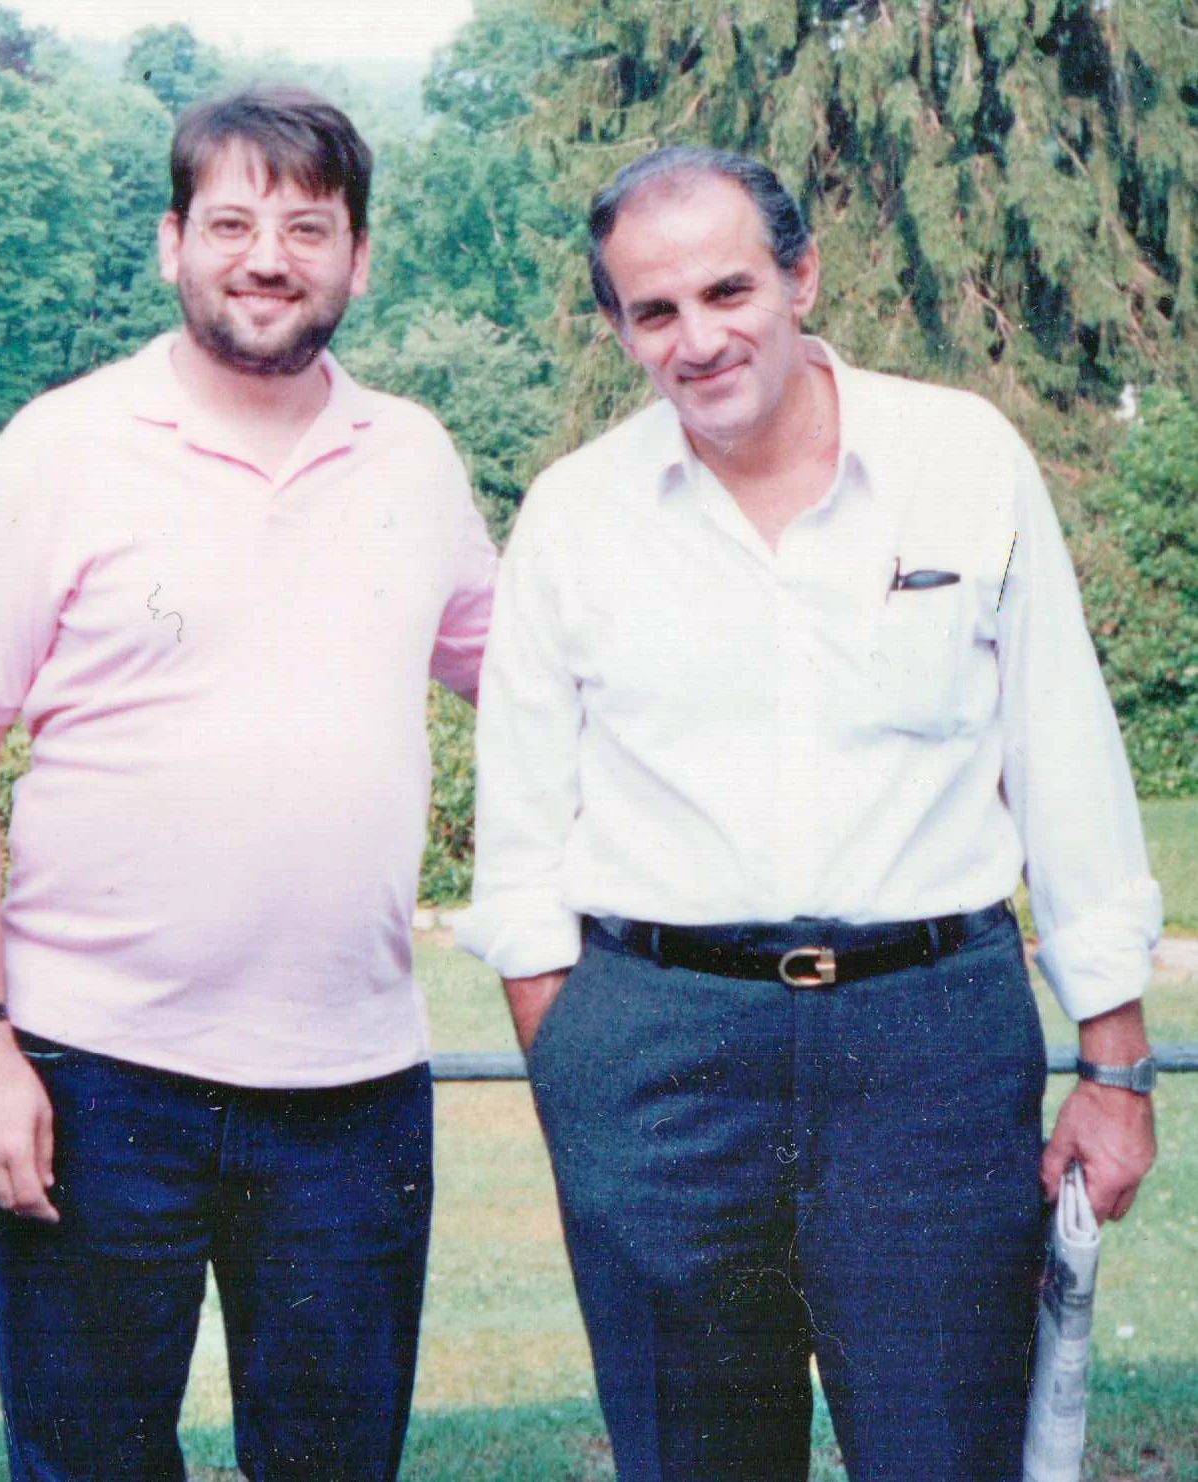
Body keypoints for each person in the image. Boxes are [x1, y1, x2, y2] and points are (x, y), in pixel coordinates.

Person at [459, 146, 1160, 1482]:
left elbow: (1064, 763)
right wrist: (586, 1073)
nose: (700, 338)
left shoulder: (961, 457)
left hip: (931, 1047)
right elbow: (523, 846)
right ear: (618, 327)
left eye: (729, 290)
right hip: (659, 1053)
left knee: (946, 1455)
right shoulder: (574, 516)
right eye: (654, 312)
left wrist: (1115, 1066)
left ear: (801, 275)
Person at [0, 86, 495, 1482]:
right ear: (173, 242)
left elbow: (535, 678)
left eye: (308, 224)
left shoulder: (412, 453)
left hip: (350, 1091)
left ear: (360, 256)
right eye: (230, 220)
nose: (267, 254)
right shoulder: (62, 443)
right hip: (92, 1080)